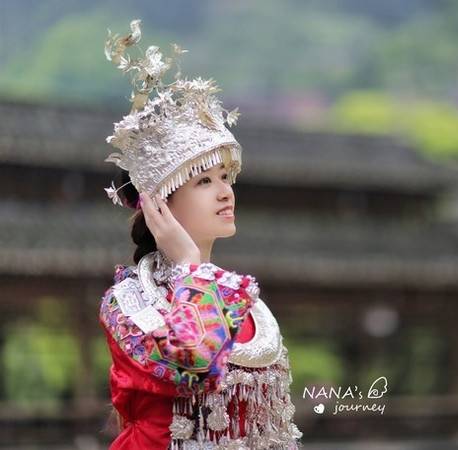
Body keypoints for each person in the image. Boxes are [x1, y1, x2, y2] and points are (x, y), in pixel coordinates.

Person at [98, 19, 303, 449]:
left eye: (227, 177)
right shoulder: (131, 301)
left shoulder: (245, 302)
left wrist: (197, 271)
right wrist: (190, 265)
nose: (226, 192)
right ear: (160, 201)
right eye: (203, 180)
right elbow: (192, 361)